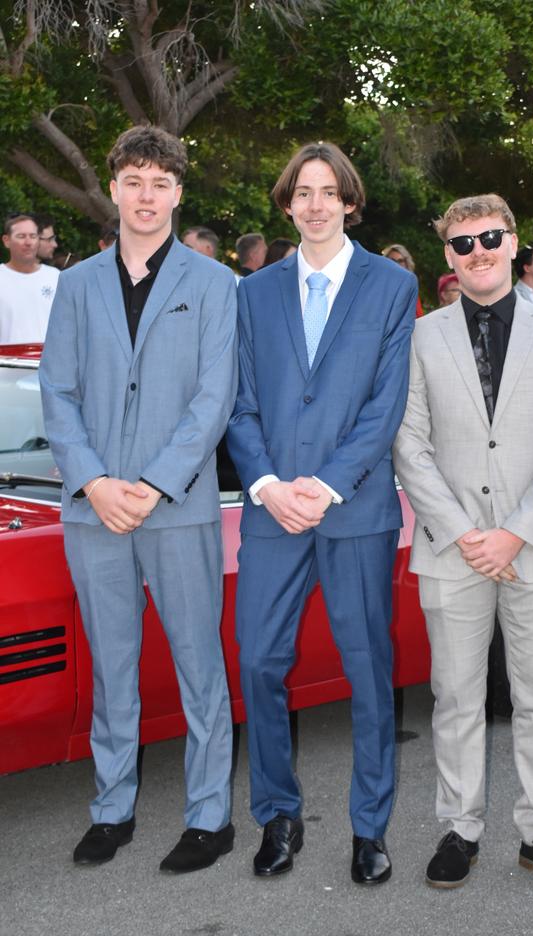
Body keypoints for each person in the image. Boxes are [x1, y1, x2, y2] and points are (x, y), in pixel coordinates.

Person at [39, 125, 238, 875]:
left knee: (198, 664)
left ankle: (209, 815)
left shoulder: (217, 285)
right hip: (95, 511)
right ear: (113, 188)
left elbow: (214, 400)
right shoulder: (77, 284)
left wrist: (153, 484)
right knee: (112, 664)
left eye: (161, 182)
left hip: (177, 507)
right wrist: (94, 481)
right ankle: (112, 807)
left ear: (178, 193)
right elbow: (57, 392)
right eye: (133, 180)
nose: (146, 195)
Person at [227, 142, 417, 885]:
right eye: (300, 192)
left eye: (326, 191)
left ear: (348, 201)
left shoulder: (390, 287)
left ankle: (369, 829)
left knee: (368, 668)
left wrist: (329, 484)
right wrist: (271, 484)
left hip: (356, 508)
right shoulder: (252, 293)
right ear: (286, 204)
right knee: (259, 661)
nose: (313, 204)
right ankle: (277, 813)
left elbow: (386, 403)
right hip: (273, 510)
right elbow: (238, 403)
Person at [393, 193, 533, 893]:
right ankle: (461, 827)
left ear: (512, 242)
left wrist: (513, 534)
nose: (476, 251)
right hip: (453, 550)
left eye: (488, 237)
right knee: (454, 696)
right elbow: (409, 445)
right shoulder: (422, 337)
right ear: (447, 258)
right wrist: (466, 535)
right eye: (461, 243)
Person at [0, 214, 59, 344]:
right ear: (6, 241)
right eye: (21, 236)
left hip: (48, 361)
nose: (28, 242)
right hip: (6, 362)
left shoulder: (56, 277)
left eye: (33, 236)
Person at [382, 243, 424, 317]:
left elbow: (419, 319)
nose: (396, 264)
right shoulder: (378, 288)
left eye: (400, 261)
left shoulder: (411, 289)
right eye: (392, 260)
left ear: (406, 264)